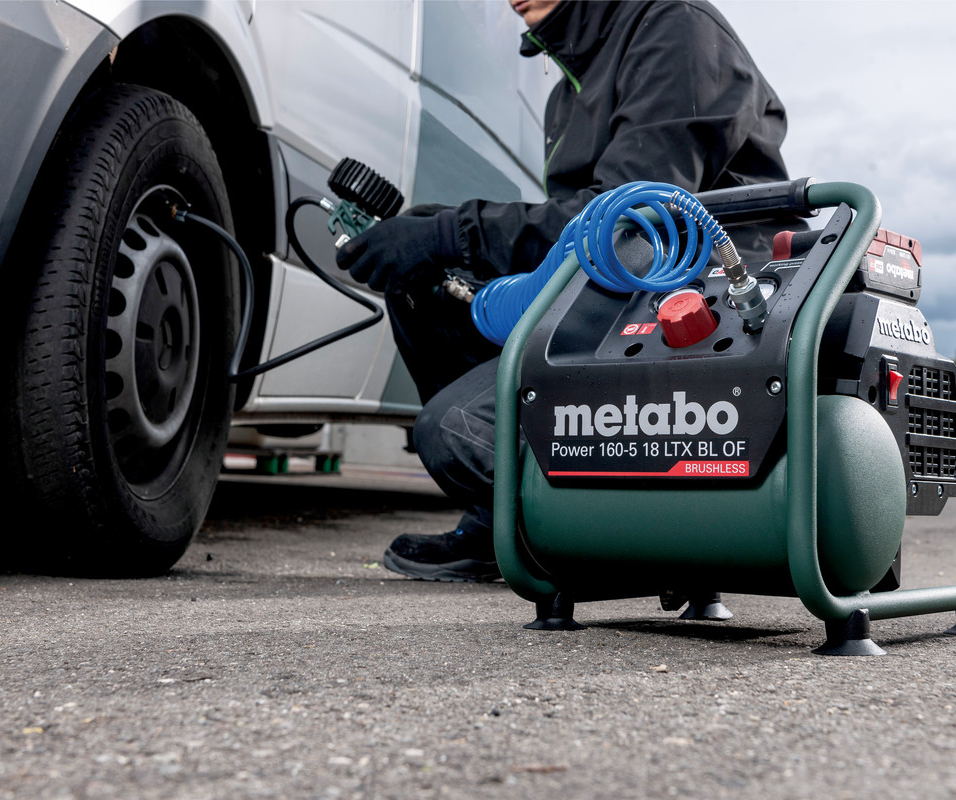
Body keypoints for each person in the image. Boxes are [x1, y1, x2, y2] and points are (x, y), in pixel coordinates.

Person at [336, 0, 794, 581]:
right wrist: (435, 239)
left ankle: (632, 529)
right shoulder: (568, 90)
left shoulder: (677, 28)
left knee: (457, 432)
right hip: (608, 295)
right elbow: (574, 238)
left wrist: (453, 233)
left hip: (691, 301)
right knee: (422, 278)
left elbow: (627, 221)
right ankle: (505, 524)